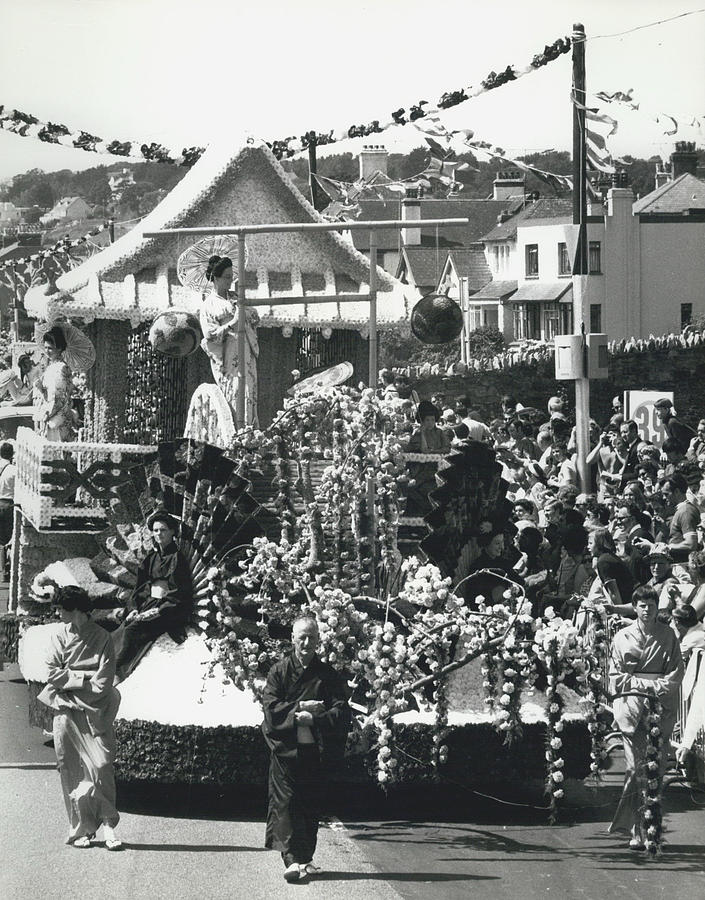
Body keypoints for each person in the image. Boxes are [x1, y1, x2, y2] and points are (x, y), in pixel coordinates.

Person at [262, 616, 350, 883]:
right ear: (292, 638)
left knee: (311, 804)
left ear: (319, 640)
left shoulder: (327, 675)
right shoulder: (279, 671)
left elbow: (341, 710)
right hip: (286, 751)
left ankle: (306, 858)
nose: (307, 642)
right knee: (286, 803)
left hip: (314, 750)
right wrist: (299, 709)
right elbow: (270, 708)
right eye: (302, 636)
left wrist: (316, 719)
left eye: (312, 637)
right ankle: (290, 860)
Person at [37, 585, 122, 850]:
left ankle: (108, 824)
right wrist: (84, 677)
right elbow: (52, 672)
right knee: (70, 767)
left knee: (101, 765)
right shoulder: (59, 636)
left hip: (95, 711)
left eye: (61, 608)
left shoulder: (103, 638)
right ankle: (81, 828)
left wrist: (72, 679)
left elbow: (104, 682)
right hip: (64, 708)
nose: (57, 612)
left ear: (75, 609)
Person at [608, 586, 684, 849]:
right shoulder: (621, 637)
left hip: (659, 708)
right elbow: (616, 676)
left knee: (656, 769)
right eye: (642, 605)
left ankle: (651, 826)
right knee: (633, 768)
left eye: (651, 604)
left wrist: (654, 688)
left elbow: (675, 673)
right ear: (635, 607)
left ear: (656, 607)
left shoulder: (668, 635)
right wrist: (643, 685)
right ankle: (635, 828)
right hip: (631, 706)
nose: (647, 609)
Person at [110, 511, 193, 682]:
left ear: (172, 532)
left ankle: (118, 671)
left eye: (163, 530)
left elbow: (180, 593)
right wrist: (134, 608)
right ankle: (105, 666)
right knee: (121, 629)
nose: (159, 534)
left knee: (132, 631)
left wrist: (159, 610)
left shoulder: (177, 559)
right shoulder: (151, 558)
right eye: (155, 531)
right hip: (148, 603)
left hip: (169, 610)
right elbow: (140, 587)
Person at [200, 255, 259, 426]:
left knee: (249, 390)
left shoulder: (236, 297)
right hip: (228, 354)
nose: (230, 281)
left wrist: (246, 312)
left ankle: (251, 436)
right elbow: (210, 335)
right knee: (235, 391)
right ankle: (238, 437)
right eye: (226, 277)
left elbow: (255, 318)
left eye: (231, 276)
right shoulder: (208, 305)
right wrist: (232, 323)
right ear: (215, 278)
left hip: (246, 350)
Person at [33, 326, 76, 441]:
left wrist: (47, 414)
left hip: (56, 418)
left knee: (56, 452)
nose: (47, 351)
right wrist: (41, 388)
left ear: (60, 348)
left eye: (51, 348)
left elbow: (59, 397)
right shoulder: (52, 366)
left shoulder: (61, 367)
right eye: (46, 347)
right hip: (52, 414)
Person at [0, 441, 16, 577]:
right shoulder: (13, 470)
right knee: (9, 537)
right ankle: (8, 569)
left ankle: (2, 570)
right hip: (8, 505)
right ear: (12, 454)